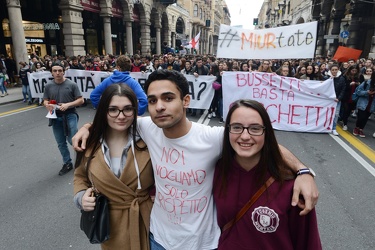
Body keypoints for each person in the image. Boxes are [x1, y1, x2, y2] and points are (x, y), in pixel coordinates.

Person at [72, 70, 319, 250]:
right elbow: (116, 118)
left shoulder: (211, 138)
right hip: (157, 238)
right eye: (154, 100)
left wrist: (303, 171)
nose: (159, 107)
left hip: (202, 243)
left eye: (168, 98)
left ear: (186, 101)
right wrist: (89, 127)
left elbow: (263, 142)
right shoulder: (146, 127)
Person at [213, 99, 322, 250]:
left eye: (255, 129)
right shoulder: (216, 171)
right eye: (237, 127)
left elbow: (308, 243)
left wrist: (304, 172)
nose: (245, 136)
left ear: (266, 133)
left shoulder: (293, 188)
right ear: (228, 130)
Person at [74, 84, 153, 249]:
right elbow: (80, 176)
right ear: (104, 111)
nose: (121, 116)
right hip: (110, 226)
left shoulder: (149, 138)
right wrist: (81, 197)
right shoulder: (89, 142)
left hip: (147, 222)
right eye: (113, 109)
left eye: (127, 109)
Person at [43, 61, 84, 175]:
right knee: (61, 142)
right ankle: (67, 163)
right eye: (55, 71)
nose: (57, 73)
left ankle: (83, 160)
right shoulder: (48, 85)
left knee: (73, 139)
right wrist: (47, 105)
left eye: (60, 71)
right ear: (51, 73)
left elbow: (81, 100)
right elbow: (45, 100)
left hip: (70, 114)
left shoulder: (71, 84)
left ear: (63, 71)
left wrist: (67, 105)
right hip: (55, 116)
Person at [352, 71, 375, 137]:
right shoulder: (367, 82)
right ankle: (357, 128)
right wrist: (367, 92)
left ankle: (361, 129)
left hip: (372, 104)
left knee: (366, 118)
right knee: (361, 117)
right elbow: (358, 91)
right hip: (363, 102)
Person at [327, 64, 346, 136]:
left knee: (336, 114)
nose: (334, 71)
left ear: (338, 70)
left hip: (337, 100)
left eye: (336, 70)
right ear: (330, 70)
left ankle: (334, 128)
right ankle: (326, 127)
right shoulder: (327, 77)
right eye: (333, 70)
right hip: (328, 100)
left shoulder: (341, 78)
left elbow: (343, 89)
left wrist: (339, 98)